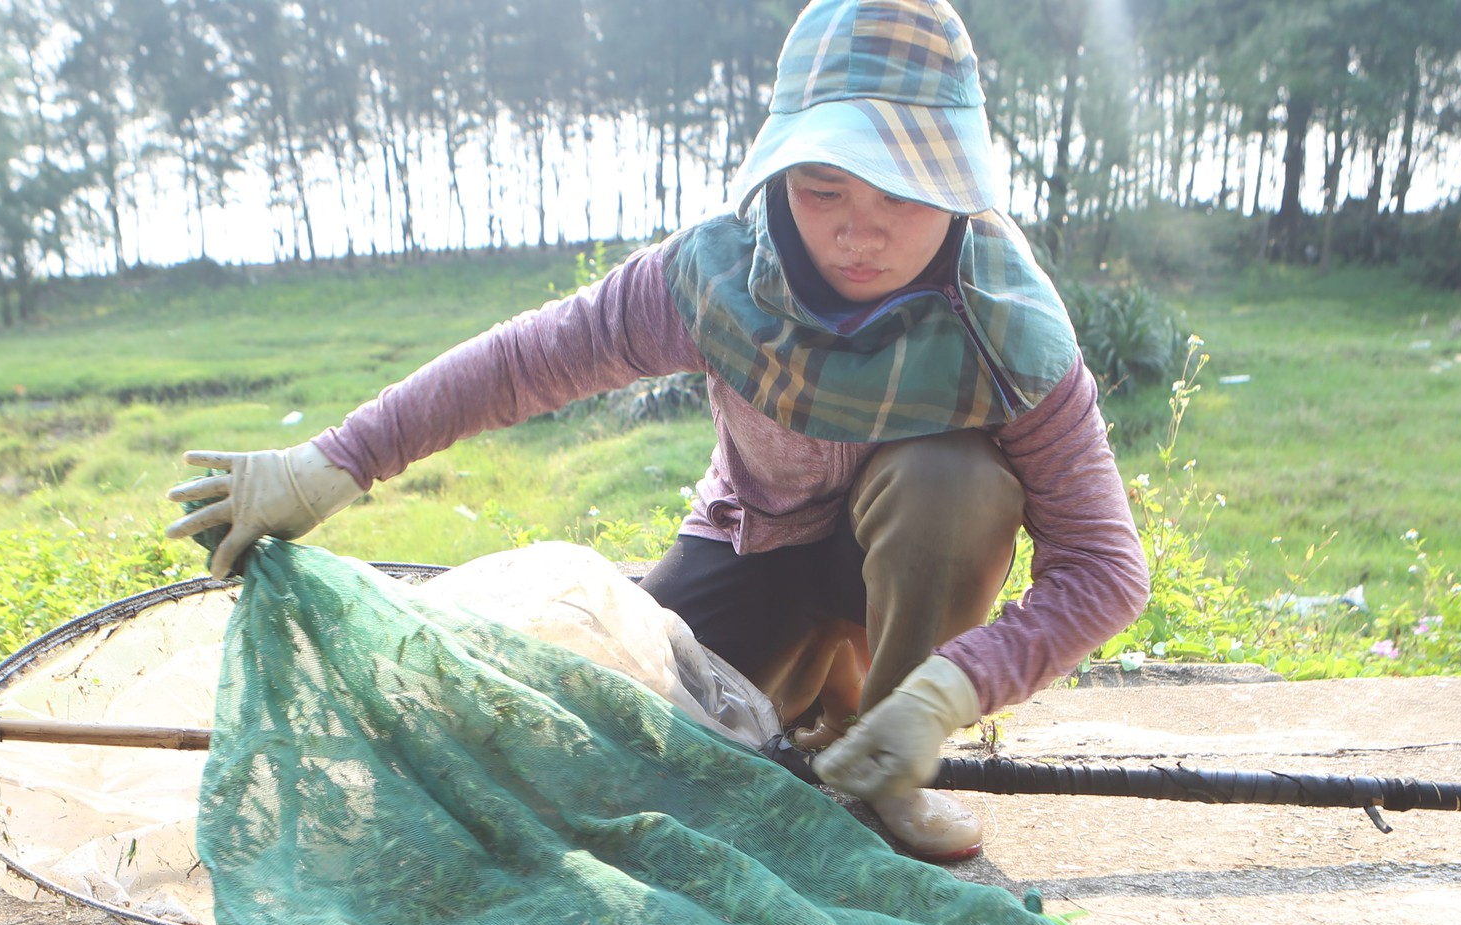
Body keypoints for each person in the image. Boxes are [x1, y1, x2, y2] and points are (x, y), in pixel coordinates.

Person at [165, 0, 1149, 862]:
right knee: (611, 762)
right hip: (750, 544)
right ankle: (805, 697)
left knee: (954, 480)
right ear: (779, 177)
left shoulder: (1008, 330)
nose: (859, 231)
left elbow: (1104, 569)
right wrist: (335, 461)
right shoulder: (712, 275)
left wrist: (946, 692)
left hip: (899, 577)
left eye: (901, 194)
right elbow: (526, 359)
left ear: (959, 184)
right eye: (823, 191)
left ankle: (883, 749)